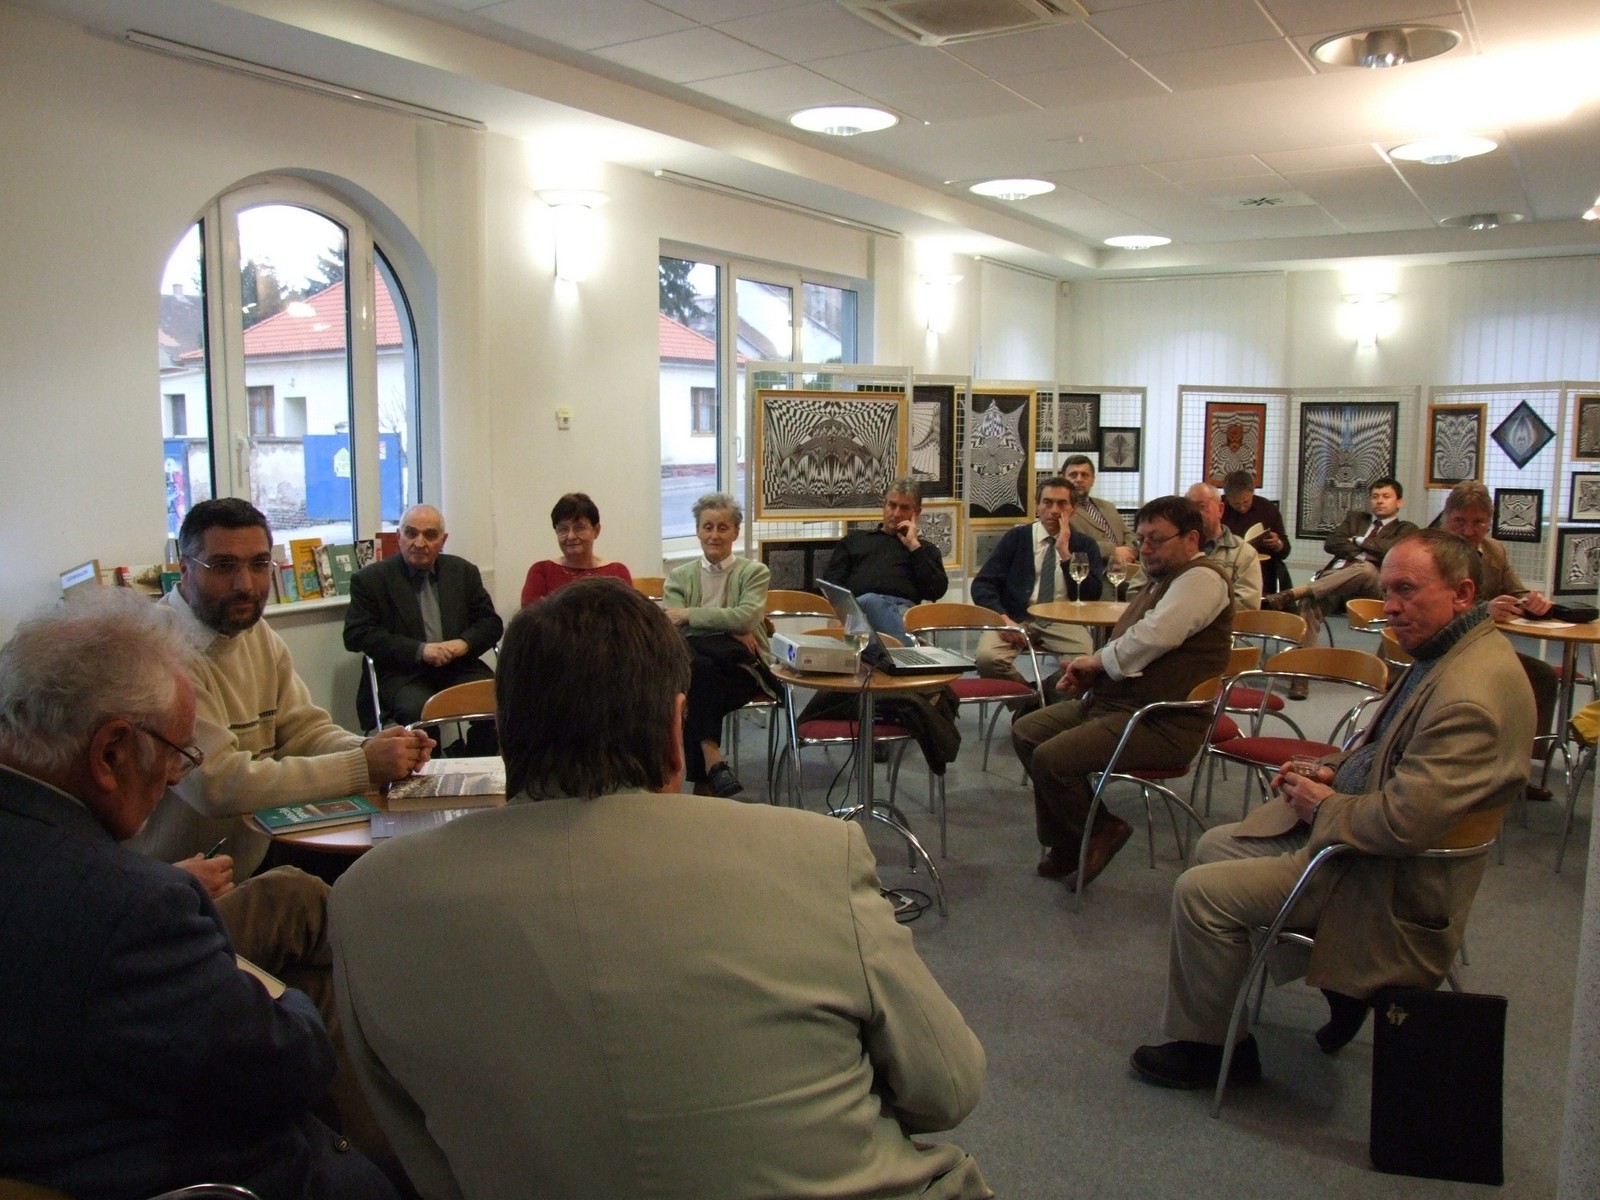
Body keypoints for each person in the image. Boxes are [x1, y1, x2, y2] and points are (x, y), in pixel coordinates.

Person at [330, 579, 991, 1200]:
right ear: (678, 732)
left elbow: (424, 1160)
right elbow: (948, 1089)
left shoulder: (369, 904)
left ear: (504, 728)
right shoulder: (815, 856)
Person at [0, 595, 397, 1200]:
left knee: (294, 900)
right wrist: (279, 996)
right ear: (110, 753)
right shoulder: (131, 909)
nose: (175, 777)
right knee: (318, 994)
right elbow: (290, 1065)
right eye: (177, 756)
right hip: (176, 1166)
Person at [1131, 530, 1534, 1089]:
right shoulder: (1450, 653)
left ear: (1463, 593)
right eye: (1387, 591)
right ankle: (1339, 987)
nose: (1390, 607)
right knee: (1216, 844)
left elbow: (1403, 824)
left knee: (1199, 894)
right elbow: (1388, 756)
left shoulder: (1469, 694)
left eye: (1407, 590)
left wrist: (1325, 803)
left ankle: (1214, 1050)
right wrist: (1330, 770)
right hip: (1371, 848)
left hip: (1391, 881)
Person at [128, 498, 433, 877]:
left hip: (253, 854)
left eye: (259, 565)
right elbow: (217, 784)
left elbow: (304, 733)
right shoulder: (158, 650)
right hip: (178, 882)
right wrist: (363, 765)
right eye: (223, 566)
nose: (245, 585)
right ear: (185, 568)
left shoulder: (256, 633)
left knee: (391, 871)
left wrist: (373, 749)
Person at [1012, 497, 1233, 891]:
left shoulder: (1202, 579)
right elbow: (1133, 643)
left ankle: (1099, 830)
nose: (1144, 548)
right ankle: (1074, 838)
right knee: (1028, 731)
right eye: (1142, 539)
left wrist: (1096, 664)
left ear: (1191, 539)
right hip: (1118, 705)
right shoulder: (1164, 579)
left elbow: (1154, 636)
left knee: (1051, 758)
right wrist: (1092, 671)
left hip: (1162, 722)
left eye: (1156, 540)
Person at [342, 503, 503, 735]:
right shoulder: (371, 580)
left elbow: (490, 623)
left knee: (498, 700)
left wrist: (463, 644)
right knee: (419, 710)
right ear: (399, 537)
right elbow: (356, 634)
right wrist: (421, 650)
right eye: (411, 533)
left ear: (443, 540)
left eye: (430, 535)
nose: (419, 543)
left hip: (459, 666)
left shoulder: (463, 572)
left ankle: (475, 756)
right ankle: (431, 759)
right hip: (403, 673)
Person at [1441, 481, 1560, 787]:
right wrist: (1484, 611)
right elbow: (1432, 609)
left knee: (1542, 676)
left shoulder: (1495, 550)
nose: (1469, 531)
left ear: (1489, 522)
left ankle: (1523, 769)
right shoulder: (1429, 552)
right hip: (1439, 647)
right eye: (1460, 522)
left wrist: (1534, 602)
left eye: (1478, 522)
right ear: (1446, 517)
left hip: (1483, 647)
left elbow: (1516, 592)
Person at [663, 492, 776, 799]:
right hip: (701, 669)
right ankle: (712, 761)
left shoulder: (755, 572)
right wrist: (728, 629)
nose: (714, 535)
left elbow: (745, 618)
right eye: (707, 527)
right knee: (699, 670)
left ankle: (704, 780)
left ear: (735, 532)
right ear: (698, 531)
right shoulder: (679, 577)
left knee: (694, 681)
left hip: (743, 668)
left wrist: (689, 615)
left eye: (723, 528)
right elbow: (671, 627)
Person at [1263, 477, 1417, 693]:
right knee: (1310, 602)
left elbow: (1389, 550)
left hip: (1372, 586)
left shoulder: (1406, 529)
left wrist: (1358, 541)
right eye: (1375, 497)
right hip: (1337, 580)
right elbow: (1332, 543)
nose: (1379, 501)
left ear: (1399, 502)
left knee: (1366, 570)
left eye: (1386, 497)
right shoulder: (1356, 519)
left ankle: (1297, 591)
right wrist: (1365, 552)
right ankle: (1300, 674)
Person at [971, 476, 1103, 692]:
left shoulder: (1085, 544)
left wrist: (1065, 554)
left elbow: (1092, 594)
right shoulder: (1017, 538)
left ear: (1073, 509)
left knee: (1082, 667)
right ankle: (1029, 699)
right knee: (988, 659)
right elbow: (982, 585)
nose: (1054, 510)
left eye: (1062, 504)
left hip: (1063, 619)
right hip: (1016, 616)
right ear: (1037, 506)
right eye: (1047, 502)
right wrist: (1003, 619)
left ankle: (1049, 694)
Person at [821, 477, 948, 643]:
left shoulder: (924, 550)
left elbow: (936, 591)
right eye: (892, 505)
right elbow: (831, 585)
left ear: (916, 513)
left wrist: (914, 546)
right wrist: (842, 613)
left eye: (904, 508)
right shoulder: (854, 541)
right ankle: (907, 652)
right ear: (884, 505)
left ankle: (893, 649)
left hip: (901, 612)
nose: (896, 514)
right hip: (858, 610)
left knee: (872, 624)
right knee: (870, 602)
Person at [520, 491, 632, 605]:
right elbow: (531, 615)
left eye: (579, 528)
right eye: (563, 529)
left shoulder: (617, 573)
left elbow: (626, 614)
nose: (571, 536)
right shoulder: (541, 572)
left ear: (596, 530)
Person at [1186, 481, 1262, 610]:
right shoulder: (1175, 548)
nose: (1195, 514)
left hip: (1220, 623)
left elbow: (1246, 605)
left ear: (1220, 509)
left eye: (1201, 506)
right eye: (1190, 509)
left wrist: (1198, 609)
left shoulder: (1243, 553)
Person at [1219, 470, 1292, 593]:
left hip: (1262, 572)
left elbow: (1285, 551)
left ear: (1252, 491)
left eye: (1246, 502)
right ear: (1227, 497)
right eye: (1236, 504)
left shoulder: (1267, 509)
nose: (1242, 507)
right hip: (1226, 570)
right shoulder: (1219, 508)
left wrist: (1278, 544)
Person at [1063, 455, 1138, 570]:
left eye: (1084, 475)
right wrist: (1113, 552)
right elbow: (1073, 545)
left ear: (1093, 480)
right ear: (1063, 479)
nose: (1079, 479)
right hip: (1094, 572)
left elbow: (1130, 535)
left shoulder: (1108, 506)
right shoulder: (1062, 511)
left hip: (1127, 569)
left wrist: (1126, 553)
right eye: (1073, 475)